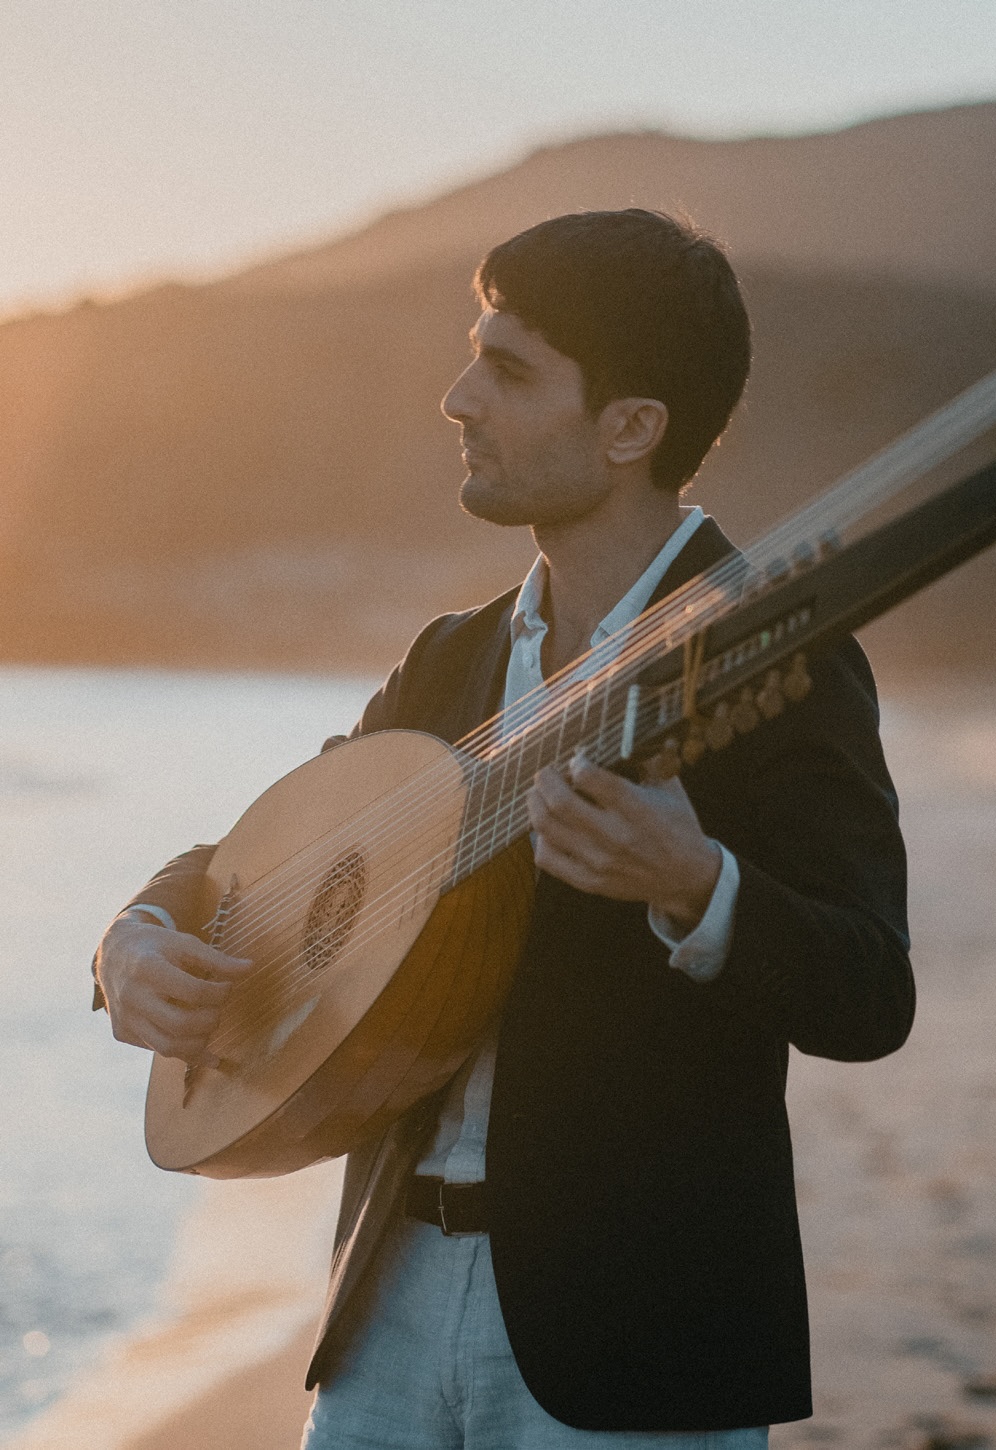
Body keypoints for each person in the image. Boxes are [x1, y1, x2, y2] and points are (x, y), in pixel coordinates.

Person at [92, 209, 915, 1447]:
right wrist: (136, 933)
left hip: (632, 1338)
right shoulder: (451, 658)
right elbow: (267, 855)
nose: (458, 399)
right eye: (473, 356)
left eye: (510, 370)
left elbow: (869, 990)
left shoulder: (772, 649)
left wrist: (696, 884)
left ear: (630, 428)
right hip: (384, 1310)